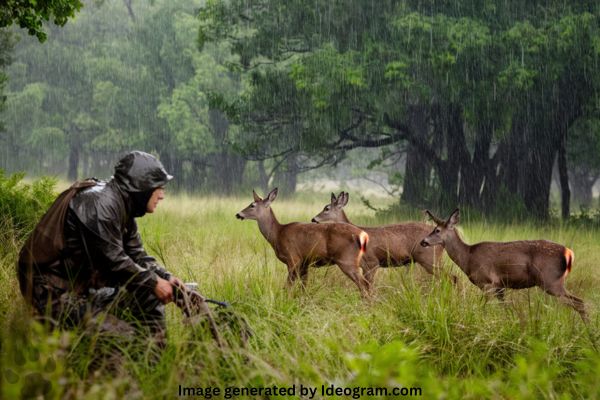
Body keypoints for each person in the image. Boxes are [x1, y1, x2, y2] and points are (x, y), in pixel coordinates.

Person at [17, 151, 184, 342]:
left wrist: (166, 277)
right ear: (141, 187)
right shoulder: (100, 205)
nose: (162, 195)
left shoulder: (123, 207)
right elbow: (113, 261)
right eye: (159, 187)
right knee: (121, 337)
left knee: (148, 296)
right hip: (52, 292)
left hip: (84, 288)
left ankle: (155, 361)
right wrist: (154, 283)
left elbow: (138, 256)